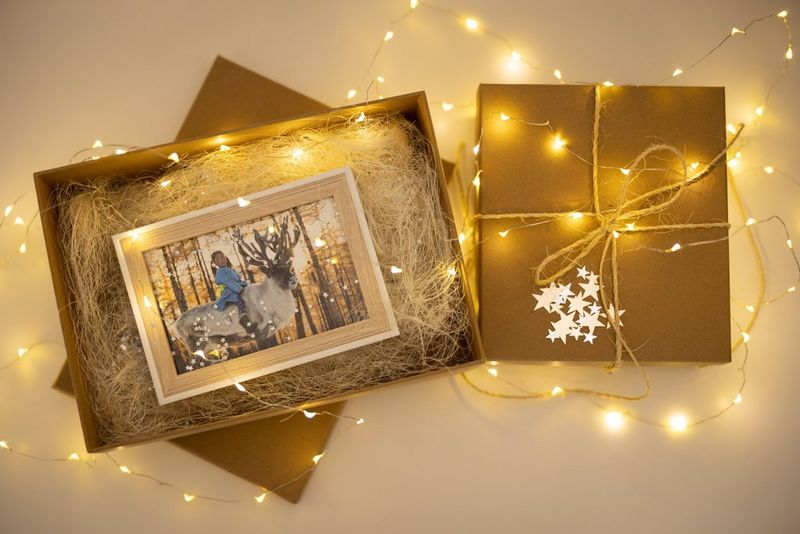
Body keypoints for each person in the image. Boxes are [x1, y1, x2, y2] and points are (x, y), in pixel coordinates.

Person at [210, 250, 258, 334]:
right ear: (215, 263)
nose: (221, 259)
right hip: (230, 291)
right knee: (240, 301)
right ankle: (245, 322)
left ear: (226, 258)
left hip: (237, 287)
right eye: (218, 259)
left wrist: (246, 285)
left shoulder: (230, 269)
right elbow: (228, 281)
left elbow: (239, 279)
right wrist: (239, 289)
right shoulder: (220, 272)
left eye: (222, 257)